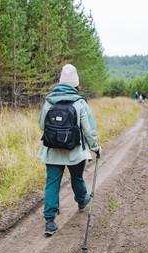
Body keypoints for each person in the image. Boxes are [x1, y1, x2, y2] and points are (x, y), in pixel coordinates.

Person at [37, 64, 101, 236]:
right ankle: (81, 200)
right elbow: (89, 129)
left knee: (52, 183)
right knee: (77, 177)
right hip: (75, 152)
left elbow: (42, 125)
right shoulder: (80, 102)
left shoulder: (49, 100)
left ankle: (50, 221)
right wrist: (95, 147)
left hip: (52, 151)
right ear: (75, 83)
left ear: (60, 82)